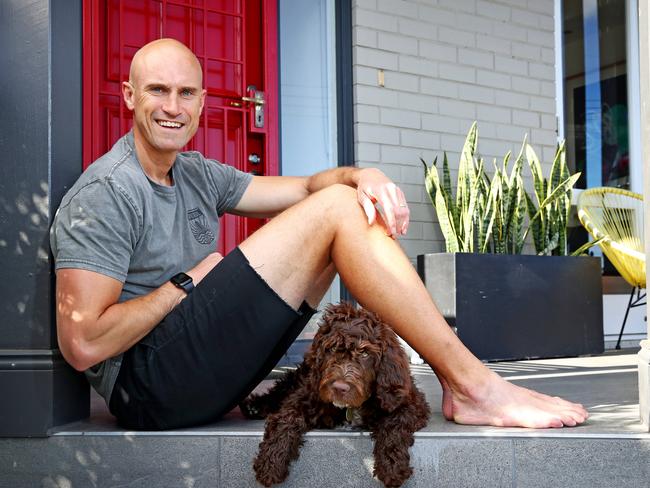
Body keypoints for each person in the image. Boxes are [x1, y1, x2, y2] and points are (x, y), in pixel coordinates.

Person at [51, 38, 588, 430]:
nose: (173, 106)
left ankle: (464, 382)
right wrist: (186, 284)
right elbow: (82, 344)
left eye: (186, 92)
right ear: (127, 96)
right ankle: (472, 384)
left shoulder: (196, 172)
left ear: (201, 101)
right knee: (335, 211)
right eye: (157, 91)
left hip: (204, 375)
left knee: (340, 203)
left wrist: (360, 176)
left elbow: (307, 187)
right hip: (150, 389)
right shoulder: (106, 194)